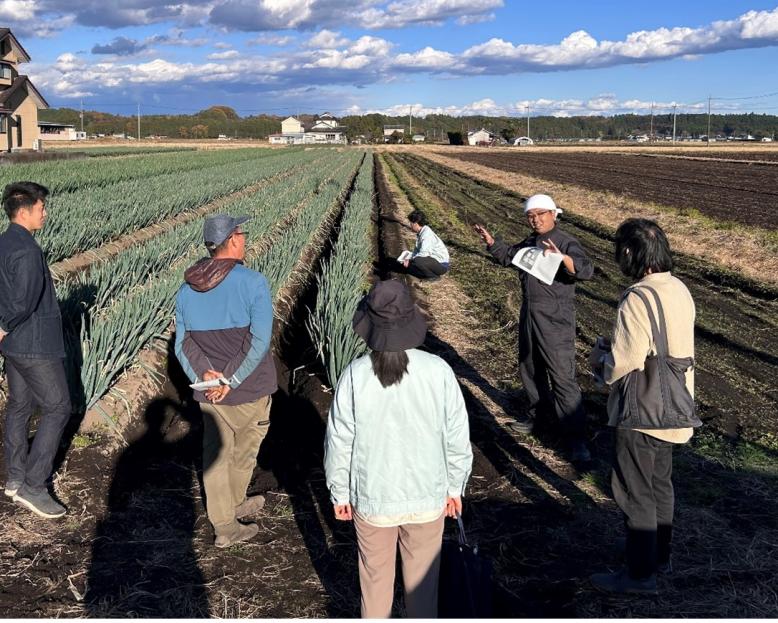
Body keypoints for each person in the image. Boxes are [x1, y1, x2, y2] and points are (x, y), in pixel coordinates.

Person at [324, 280, 473, 618]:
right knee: (422, 589)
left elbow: (339, 441)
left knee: (375, 585)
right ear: (410, 322)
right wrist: (454, 486)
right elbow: (456, 437)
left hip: (373, 501)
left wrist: (340, 493)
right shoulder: (439, 372)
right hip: (427, 498)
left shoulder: (354, 375)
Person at [589, 218, 700, 595]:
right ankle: (658, 556)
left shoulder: (637, 297)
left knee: (634, 490)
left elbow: (626, 360)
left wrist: (599, 361)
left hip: (641, 410)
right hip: (675, 406)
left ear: (630, 253)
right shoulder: (680, 289)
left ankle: (638, 575)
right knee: (659, 485)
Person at [174, 214, 277, 548]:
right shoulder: (253, 282)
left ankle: (227, 514)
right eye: (242, 233)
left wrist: (204, 376)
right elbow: (258, 340)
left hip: (210, 394)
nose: (245, 238)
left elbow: (183, 343)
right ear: (232, 240)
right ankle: (227, 525)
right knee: (245, 451)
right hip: (248, 388)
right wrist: (230, 379)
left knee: (216, 454)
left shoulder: (187, 289)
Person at [473, 193, 594, 462]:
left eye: (541, 214)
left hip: (556, 318)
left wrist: (563, 259)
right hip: (530, 314)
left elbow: (586, 270)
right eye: (531, 216)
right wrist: (492, 243)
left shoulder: (565, 241)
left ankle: (576, 440)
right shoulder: (530, 242)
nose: (536, 220)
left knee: (561, 376)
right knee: (530, 369)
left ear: (554, 214)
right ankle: (539, 420)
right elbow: (510, 256)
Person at [0, 181, 71, 519]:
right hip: (33, 344)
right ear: (24, 210)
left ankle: (14, 479)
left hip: (13, 345)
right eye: (42, 207)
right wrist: (3, 324)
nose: (45, 212)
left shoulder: (4, 242)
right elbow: (22, 301)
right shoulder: (27, 249)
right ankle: (34, 486)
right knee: (58, 407)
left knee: (20, 406)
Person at [401, 210, 450, 280]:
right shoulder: (421, 233)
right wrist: (408, 259)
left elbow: (424, 253)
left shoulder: (426, 235)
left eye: (410, 223)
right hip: (433, 261)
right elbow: (417, 251)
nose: (410, 225)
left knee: (417, 261)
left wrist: (410, 259)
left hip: (441, 265)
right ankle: (424, 273)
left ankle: (433, 277)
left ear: (415, 223)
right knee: (411, 266)